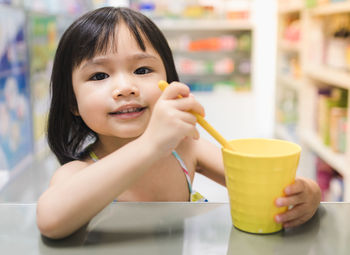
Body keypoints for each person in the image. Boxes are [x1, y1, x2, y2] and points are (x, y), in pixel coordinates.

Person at [36, 7, 321, 239]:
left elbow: (265, 181)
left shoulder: (185, 149)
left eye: (142, 69)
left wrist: (307, 193)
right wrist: (150, 144)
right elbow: (50, 221)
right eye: (99, 76)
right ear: (72, 102)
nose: (125, 87)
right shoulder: (79, 172)